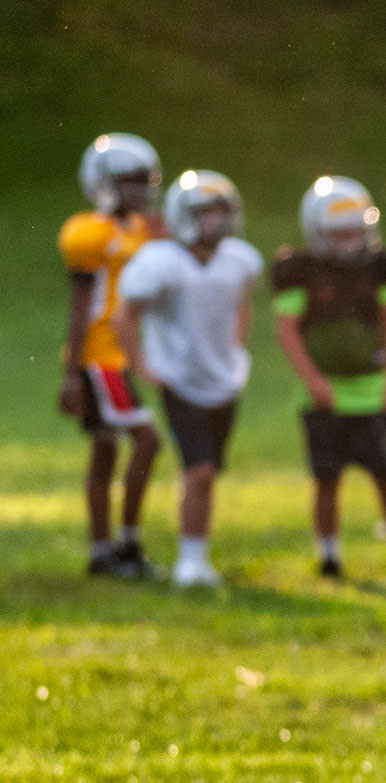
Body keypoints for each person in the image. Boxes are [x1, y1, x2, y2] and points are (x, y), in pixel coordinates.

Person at [113, 170, 262, 589]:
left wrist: (236, 351)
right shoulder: (161, 262)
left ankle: (198, 556)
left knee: (209, 470)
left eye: (222, 212)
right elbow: (125, 316)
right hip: (179, 376)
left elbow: (241, 306)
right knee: (198, 470)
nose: (217, 221)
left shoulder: (240, 260)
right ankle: (189, 562)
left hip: (223, 377)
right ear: (184, 216)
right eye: (207, 213)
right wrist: (142, 365)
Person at [272, 177, 386, 579]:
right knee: (327, 481)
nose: (350, 241)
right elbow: (286, 329)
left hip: (371, 389)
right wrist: (314, 381)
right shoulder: (300, 272)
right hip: (326, 396)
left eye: (356, 231)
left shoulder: (376, 269)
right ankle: (329, 555)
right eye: (340, 233)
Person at [60, 133, 165, 579]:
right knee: (146, 440)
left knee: (105, 451)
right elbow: (80, 307)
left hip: (121, 356)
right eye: (129, 183)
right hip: (100, 358)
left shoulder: (140, 228)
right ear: (104, 184)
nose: (139, 192)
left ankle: (106, 551)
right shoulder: (90, 233)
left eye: (144, 182)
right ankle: (125, 544)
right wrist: (71, 373)